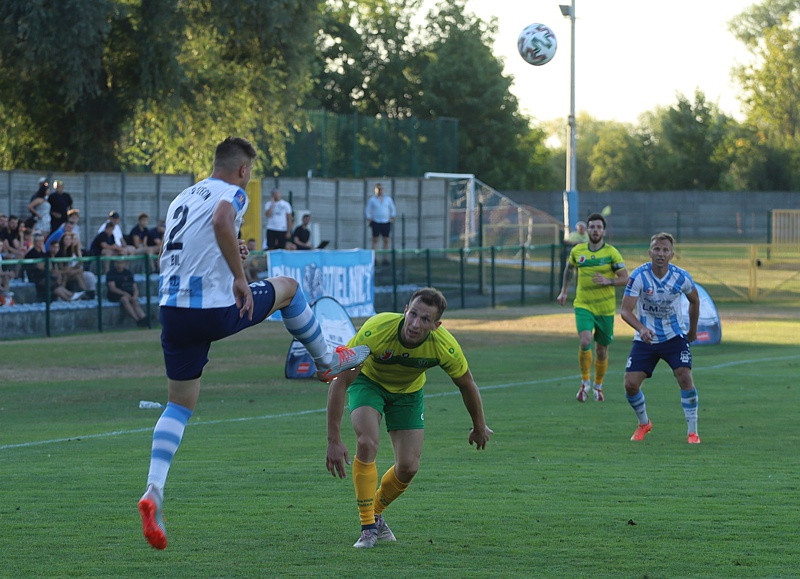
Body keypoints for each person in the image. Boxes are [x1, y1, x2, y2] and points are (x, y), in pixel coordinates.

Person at [137, 137, 370, 551]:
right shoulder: (234, 192)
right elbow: (222, 222)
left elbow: (195, 246)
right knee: (290, 288)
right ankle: (326, 361)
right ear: (243, 170)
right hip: (213, 307)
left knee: (178, 405)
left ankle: (154, 490)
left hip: (173, 311)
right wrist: (240, 277)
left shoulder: (183, 198)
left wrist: (233, 256)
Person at [325, 287, 493, 549]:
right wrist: (333, 440)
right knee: (367, 443)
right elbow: (340, 380)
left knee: (409, 467)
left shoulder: (444, 346)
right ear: (405, 310)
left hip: (408, 394)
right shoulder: (377, 330)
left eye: (425, 319)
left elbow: (467, 384)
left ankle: (376, 512)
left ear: (436, 325)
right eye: (413, 314)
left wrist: (479, 426)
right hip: (368, 384)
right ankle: (367, 527)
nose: (415, 324)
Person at [620, 232, 701, 444]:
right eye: (656, 249)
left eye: (665, 250)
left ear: (672, 255)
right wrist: (642, 329)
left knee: (684, 375)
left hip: (674, 336)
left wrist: (692, 331)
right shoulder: (638, 276)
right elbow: (626, 311)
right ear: (649, 252)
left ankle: (692, 432)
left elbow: (695, 300)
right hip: (645, 338)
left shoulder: (681, 277)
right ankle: (644, 423)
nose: (660, 254)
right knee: (630, 384)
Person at [557, 213, 628, 402]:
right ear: (587, 230)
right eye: (592, 227)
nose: (595, 230)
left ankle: (598, 385)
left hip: (605, 308)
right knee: (585, 340)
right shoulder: (578, 251)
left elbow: (625, 278)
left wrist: (608, 280)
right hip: (583, 304)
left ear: (603, 231)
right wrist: (564, 291)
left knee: (602, 351)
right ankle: (584, 382)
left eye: (598, 227)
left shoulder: (611, 253)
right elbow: (569, 269)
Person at [106, 258, 147, 326]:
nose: (119, 265)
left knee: (135, 302)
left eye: (121, 263)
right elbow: (112, 288)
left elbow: (135, 287)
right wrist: (124, 293)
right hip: (116, 295)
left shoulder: (128, 272)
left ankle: (144, 318)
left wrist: (135, 296)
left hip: (129, 293)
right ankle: (137, 320)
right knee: (125, 299)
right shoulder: (111, 273)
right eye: (118, 263)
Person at [365, 183, 396, 264]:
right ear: (375, 190)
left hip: (386, 222)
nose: (380, 190)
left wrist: (392, 217)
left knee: (386, 240)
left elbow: (393, 209)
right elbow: (367, 210)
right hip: (376, 221)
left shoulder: (388, 199)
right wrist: (369, 219)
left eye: (381, 189)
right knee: (375, 240)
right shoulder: (372, 199)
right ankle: (375, 259)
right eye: (378, 189)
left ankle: (385, 258)